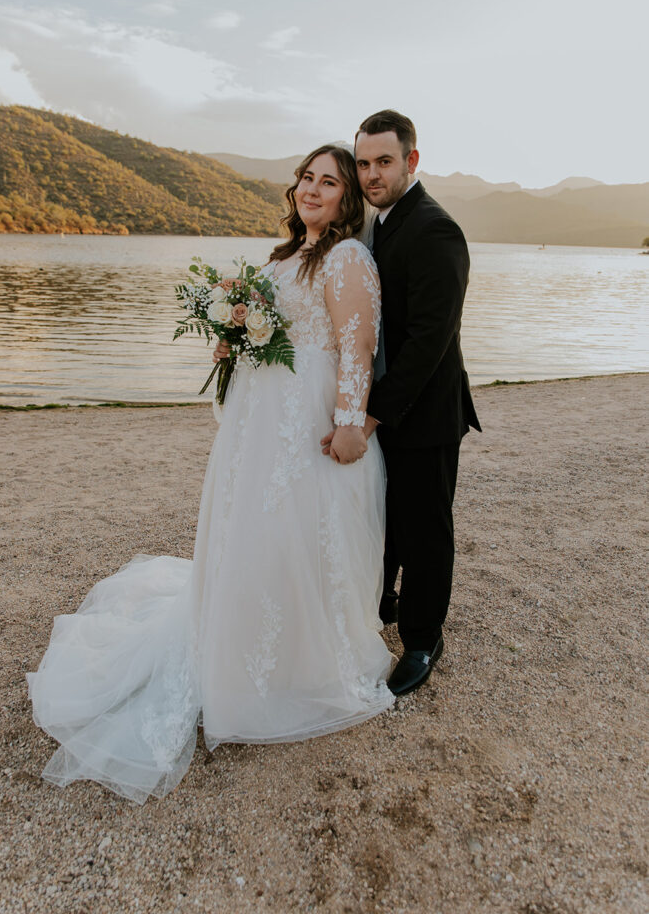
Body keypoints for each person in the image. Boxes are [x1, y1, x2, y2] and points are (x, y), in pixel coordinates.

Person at [27, 145, 395, 804]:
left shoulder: (346, 259)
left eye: (329, 182)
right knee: (250, 532)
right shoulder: (283, 256)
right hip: (258, 422)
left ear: (347, 198)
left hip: (305, 419)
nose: (312, 190)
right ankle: (237, 647)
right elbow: (268, 328)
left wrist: (349, 422)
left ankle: (299, 663)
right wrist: (235, 335)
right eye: (306, 178)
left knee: (296, 533)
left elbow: (355, 346)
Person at [323, 110, 481, 696]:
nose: (371, 174)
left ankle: (422, 638)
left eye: (383, 162)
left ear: (412, 161)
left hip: (426, 413)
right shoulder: (375, 224)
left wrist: (367, 417)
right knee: (381, 516)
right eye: (362, 164)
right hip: (383, 404)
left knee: (426, 529)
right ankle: (383, 604)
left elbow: (425, 347)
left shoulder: (437, 230)